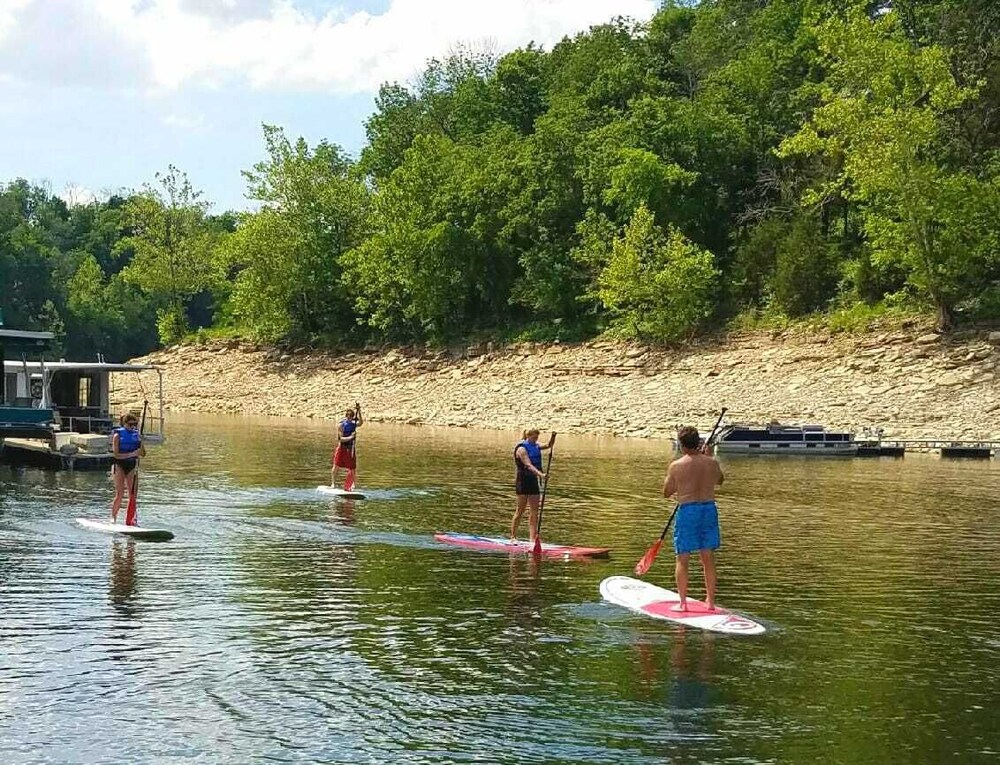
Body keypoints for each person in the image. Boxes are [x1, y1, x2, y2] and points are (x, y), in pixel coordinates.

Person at [663, 426, 724, 611]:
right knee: (708, 557)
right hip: (708, 509)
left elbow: (666, 492)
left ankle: (683, 604)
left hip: (688, 511)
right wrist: (709, 457)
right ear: (698, 442)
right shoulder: (711, 463)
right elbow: (720, 480)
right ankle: (710, 602)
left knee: (683, 557)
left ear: (682, 445)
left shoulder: (676, 466)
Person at [510, 428, 555, 543]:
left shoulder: (536, 446)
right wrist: (541, 475)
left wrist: (553, 437)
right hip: (523, 482)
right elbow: (528, 465)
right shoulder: (521, 449)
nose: (536, 439)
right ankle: (513, 537)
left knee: (535, 511)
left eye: (537, 437)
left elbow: (549, 445)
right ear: (528, 436)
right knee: (520, 510)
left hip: (533, 481)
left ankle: (532, 538)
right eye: (534, 437)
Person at [110, 413, 145, 524]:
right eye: (130, 424)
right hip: (119, 465)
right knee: (119, 494)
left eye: (135, 424)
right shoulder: (117, 435)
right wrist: (132, 454)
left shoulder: (137, 436)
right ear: (124, 424)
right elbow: (116, 455)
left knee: (132, 495)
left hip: (132, 466)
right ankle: (113, 518)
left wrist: (141, 444)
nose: (133, 426)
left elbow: (143, 453)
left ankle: (132, 519)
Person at [330, 406, 363, 489]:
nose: (349, 418)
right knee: (336, 465)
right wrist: (351, 437)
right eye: (348, 416)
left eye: (351, 416)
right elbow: (341, 439)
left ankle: (354, 484)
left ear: (352, 417)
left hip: (351, 448)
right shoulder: (341, 426)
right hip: (342, 448)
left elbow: (361, 423)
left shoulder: (353, 424)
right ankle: (333, 483)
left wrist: (359, 411)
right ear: (346, 416)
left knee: (352, 467)